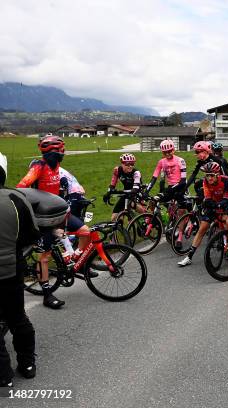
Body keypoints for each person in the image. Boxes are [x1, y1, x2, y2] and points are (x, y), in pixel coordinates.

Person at [16, 135, 91, 309]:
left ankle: (75, 259)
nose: (62, 154)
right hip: (43, 218)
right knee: (44, 257)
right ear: (52, 152)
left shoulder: (56, 166)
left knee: (85, 231)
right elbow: (22, 186)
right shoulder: (39, 166)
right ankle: (47, 295)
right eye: (60, 151)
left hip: (58, 213)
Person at [0, 153, 39, 388]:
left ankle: (4, 376)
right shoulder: (16, 197)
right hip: (12, 270)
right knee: (18, 318)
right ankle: (27, 364)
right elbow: (32, 234)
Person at [178, 162, 228, 266]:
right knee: (202, 228)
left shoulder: (226, 181)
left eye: (212, 175)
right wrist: (211, 204)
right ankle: (189, 256)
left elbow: (227, 198)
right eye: (207, 175)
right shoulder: (205, 182)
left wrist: (218, 205)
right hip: (214, 203)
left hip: (227, 203)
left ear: (217, 174)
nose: (209, 178)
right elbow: (207, 197)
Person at [144, 139, 189, 249]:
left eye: (170, 151)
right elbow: (154, 177)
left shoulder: (180, 160)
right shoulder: (161, 162)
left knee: (181, 212)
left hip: (181, 187)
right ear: (162, 153)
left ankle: (179, 238)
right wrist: (147, 191)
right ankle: (156, 221)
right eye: (165, 152)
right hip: (170, 188)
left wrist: (171, 190)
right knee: (153, 200)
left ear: (173, 150)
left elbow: (183, 180)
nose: (168, 154)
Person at [103, 153, 144, 221]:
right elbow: (112, 184)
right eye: (127, 164)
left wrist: (132, 193)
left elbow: (136, 188)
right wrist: (108, 193)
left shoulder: (136, 173)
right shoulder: (117, 170)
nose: (130, 166)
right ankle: (121, 227)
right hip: (126, 192)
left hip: (137, 192)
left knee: (133, 205)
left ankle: (148, 217)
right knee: (114, 217)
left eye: (132, 164)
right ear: (122, 164)